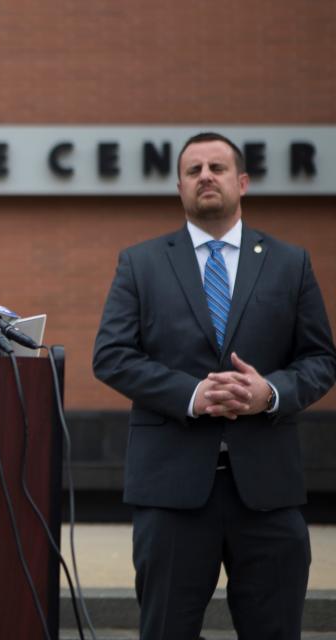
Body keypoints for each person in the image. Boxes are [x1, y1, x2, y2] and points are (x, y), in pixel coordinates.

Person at [92, 132, 336, 639]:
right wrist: (192, 395)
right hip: (171, 493)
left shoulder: (291, 263)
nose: (205, 176)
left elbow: (319, 360)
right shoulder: (141, 263)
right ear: (179, 187)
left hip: (267, 492)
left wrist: (268, 393)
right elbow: (111, 356)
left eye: (217, 168)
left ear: (241, 182)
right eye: (194, 170)